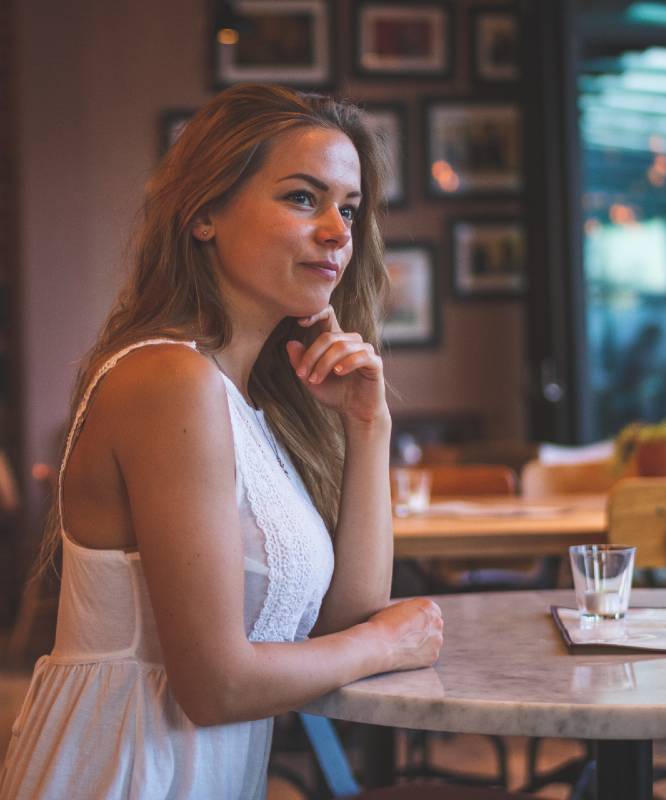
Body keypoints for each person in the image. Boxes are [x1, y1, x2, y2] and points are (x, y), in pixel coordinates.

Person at [0, 83, 443, 799]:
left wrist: (368, 427)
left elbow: (346, 619)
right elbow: (216, 685)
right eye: (304, 198)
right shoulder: (169, 380)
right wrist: (386, 644)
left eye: (349, 208)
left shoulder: (245, 402)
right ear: (205, 213)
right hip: (123, 772)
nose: (337, 231)